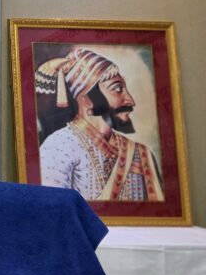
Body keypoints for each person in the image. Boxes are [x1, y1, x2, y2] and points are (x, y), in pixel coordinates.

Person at [36, 46, 164, 202]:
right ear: (86, 99)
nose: (130, 100)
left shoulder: (141, 153)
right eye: (117, 89)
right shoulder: (58, 147)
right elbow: (52, 209)